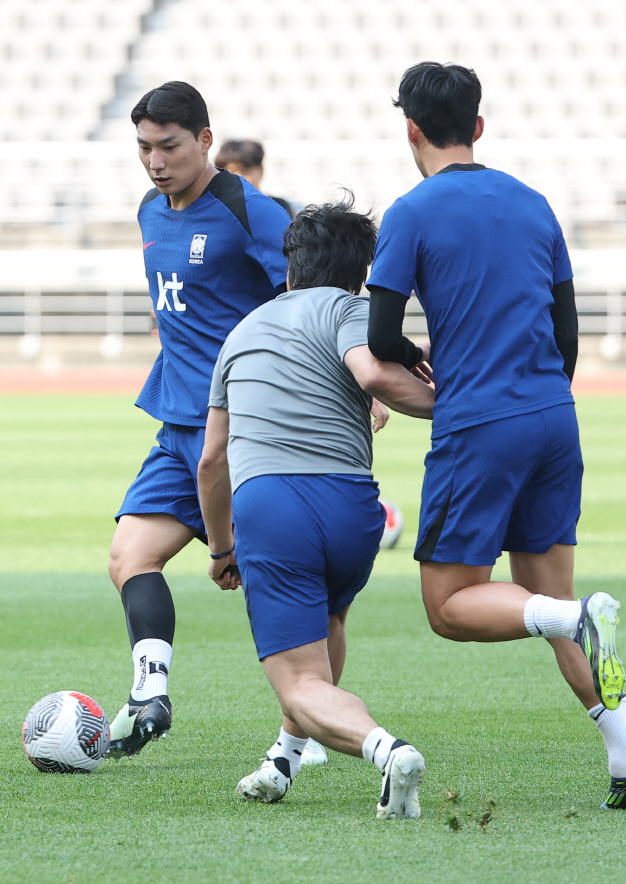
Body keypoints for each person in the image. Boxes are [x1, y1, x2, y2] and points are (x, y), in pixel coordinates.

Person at [366, 62, 626, 810]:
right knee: (548, 596)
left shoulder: (410, 211)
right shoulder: (534, 204)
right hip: (554, 418)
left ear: (410, 129)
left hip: (481, 423)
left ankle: (573, 615)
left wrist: (424, 362)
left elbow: (380, 334)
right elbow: (566, 335)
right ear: (479, 126)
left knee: (448, 606)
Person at [197, 199, 435, 818]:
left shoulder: (243, 330)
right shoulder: (352, 308)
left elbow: (212, 461)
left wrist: (222, 548)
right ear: (361, 271)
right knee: (326, 628)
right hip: (355, 509)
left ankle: (386, 751)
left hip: (274, 507)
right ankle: (284, 758)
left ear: (291, 263)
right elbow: (372, 377)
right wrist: (457, 400)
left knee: (301, 683)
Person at [106, 80, 296, 760]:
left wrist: (357, 387)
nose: (156, 162)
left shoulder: (253, 212)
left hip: (247, 426)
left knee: (272, 581)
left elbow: (313, 301)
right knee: (130, 557)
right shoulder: (149, 214)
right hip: (176, 421)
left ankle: (303, 725)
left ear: (205, 141)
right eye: (144, 148)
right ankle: (150, 694)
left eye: (170, 146)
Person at [215, 138, 298, 219]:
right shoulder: (213, 209)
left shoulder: (279, 207)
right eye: (231, 172)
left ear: (261, 170)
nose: (239, 177)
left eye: (245, 171)